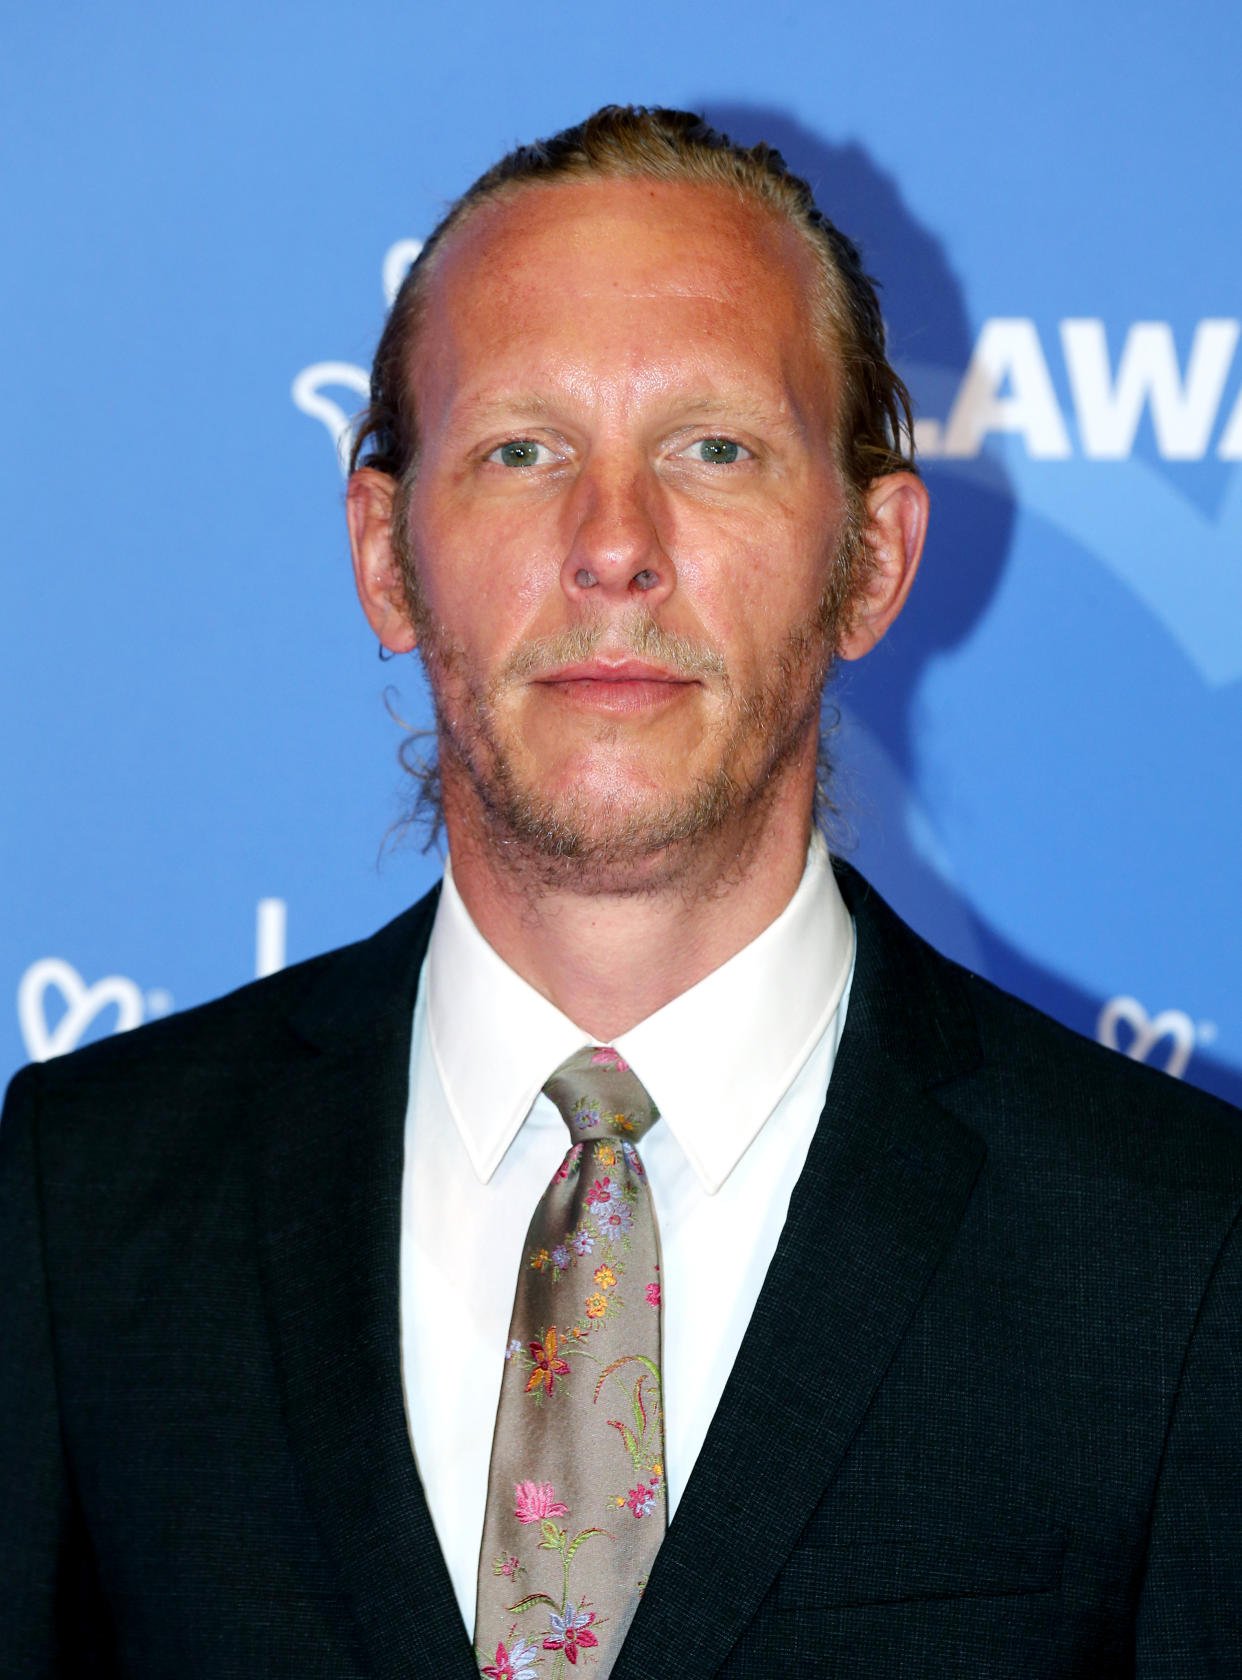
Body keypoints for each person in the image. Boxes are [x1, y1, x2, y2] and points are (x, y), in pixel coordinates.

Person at [3, 105, 1241, 1680]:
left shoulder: (1182, 1257)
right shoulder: (85, 1202)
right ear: (385, 555)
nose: (613, 547)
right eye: (523, 451)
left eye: (711, 449)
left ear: (869, 560)